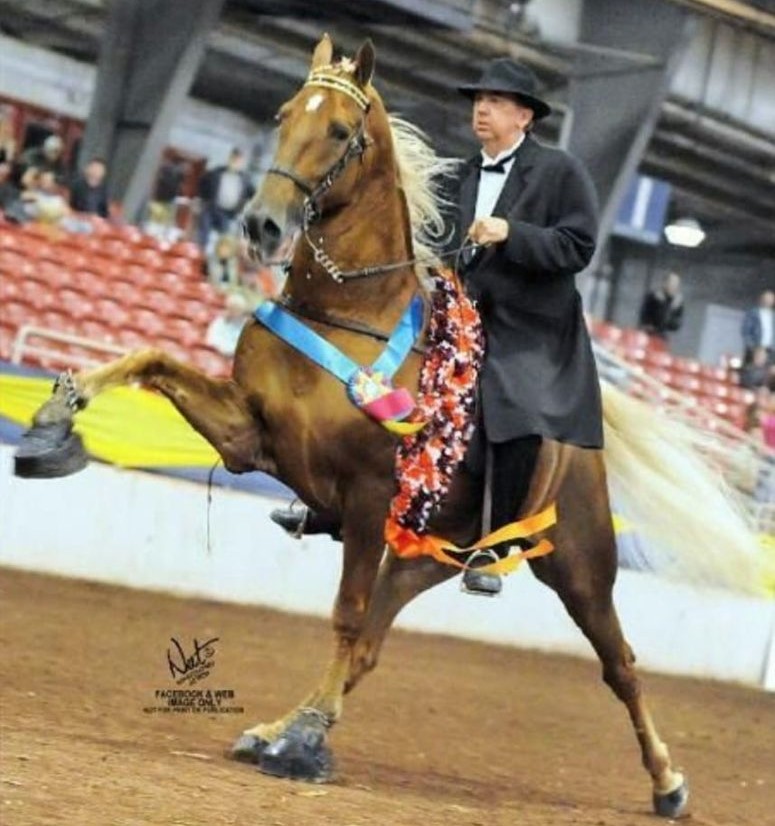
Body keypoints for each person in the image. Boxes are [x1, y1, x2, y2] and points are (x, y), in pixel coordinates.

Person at [271, 57, 602, 598]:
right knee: (378, 379)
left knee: (516, 411)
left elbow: (579, 246)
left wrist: (512, 233)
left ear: (524, 117)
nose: (482, 110)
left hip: (529, 329)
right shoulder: (456, 176)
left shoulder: (561, 171)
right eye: (479, 101)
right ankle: (337, 504)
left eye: (495, 102)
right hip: (457, 313)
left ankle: (496, 545)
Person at [197, 148, 254, 252]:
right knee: (204, 227)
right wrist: (204, 199)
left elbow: (253, 194)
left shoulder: (245, 180)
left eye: (239, 161)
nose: (235, 163)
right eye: (234, 159)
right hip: (212, 208)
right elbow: (203, 183)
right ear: (229, 159)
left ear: (242, 163)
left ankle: (219, 256)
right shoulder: (217, 173)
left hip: (228, 213)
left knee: (225, 236)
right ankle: (200, 251)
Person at [638, 272, 684, 341]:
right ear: (665, 283)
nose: (673, 287)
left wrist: (671, 308)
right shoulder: (653, 297)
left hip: (662, 337)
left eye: (676, 285)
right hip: (647, 334)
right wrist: (663, 304)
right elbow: (645, 316)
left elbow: (675, 325)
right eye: (671, 283)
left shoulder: (677, 302)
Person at [205, 292, 251, 357]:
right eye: (232, 308)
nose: (234, 312)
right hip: (218, 355)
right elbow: (211, 340)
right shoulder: (218, 322)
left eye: (237, 310)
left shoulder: (246, 325)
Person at [741, 289, 774, 366]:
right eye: (766, 299)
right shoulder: (753, 313)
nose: (768, 301)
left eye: (771, 299)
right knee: (750, 369)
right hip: (755, 348)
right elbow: (745, 331)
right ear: (761, 299)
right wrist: (752, 347)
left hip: (769, 350)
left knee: (769, 371)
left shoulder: (773, 315)